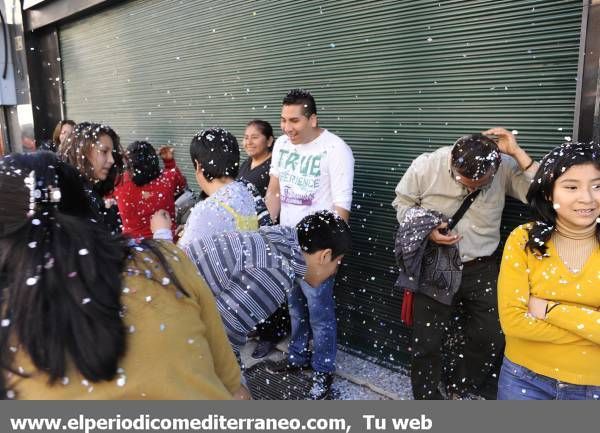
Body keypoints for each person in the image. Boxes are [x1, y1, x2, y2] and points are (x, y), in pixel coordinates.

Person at [0, 151, 248, 399]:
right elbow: (235, 390)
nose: (110, 160)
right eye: (104, 151)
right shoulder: (165, 263)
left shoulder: (11, 331)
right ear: (86, 207)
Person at [392, 128, 539, 400]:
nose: (471, 187)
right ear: (452, 163)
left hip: (481, 267)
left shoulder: (504, 167)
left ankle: (460, 385)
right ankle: (426, 400)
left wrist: (518, 154)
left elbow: (544, 193)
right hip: (435, 264)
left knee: (492, 334)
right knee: (427, 342)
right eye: (465, 180)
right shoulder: (427, 165)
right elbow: (402, 203)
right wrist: (426, 228)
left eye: (479, 183)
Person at [157, 210, 351, 399]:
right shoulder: (275, 274)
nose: (335, 271)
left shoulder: (278, 240)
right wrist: (236, 387)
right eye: (338, 262)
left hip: (162, 299)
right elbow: (223, 338)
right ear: (325, 256)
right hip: (163, 321)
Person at [265, 89, 354, 399]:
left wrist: (332, 255)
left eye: (294, 121)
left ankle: (323, 372)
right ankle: (297, 358)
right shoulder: (281, 146)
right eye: (283, 120)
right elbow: (275, 189)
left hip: (318, 251)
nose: (287, 128)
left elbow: (341, 208)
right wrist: (268, 222)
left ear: (313, 118)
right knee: (294, 307)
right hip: (287, 243)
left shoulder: (335, 149)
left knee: (320, 314)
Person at [497, 142, 600, 400]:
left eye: (597, 186)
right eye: (571, 187)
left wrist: (549, 309)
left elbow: (527, 319)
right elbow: (513, 322)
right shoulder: (523, 239)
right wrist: (588, 327)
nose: (587, 197)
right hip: (524, 378)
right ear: (549, 193)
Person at [169, 128, 267, 249]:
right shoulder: (248, 189)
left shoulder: (206, 210)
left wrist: (161, 231)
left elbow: (180, 262)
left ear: (198, 166)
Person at [58, 122, 124, 235]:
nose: (111, 160)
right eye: (104, 151)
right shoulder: (73, 200)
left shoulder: (78, 191)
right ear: (82, 151)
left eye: (112, 153)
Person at [114, 141, 187, 239]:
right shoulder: (168, 178)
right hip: (167, 244)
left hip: (134, 247)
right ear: (154, 160)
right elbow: (181, 184)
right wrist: (169, 162)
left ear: (128, 163)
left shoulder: (119, 183)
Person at [237, 120, 274, 197]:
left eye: (254, 137)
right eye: (246, 138)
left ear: (269, 141)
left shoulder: (274, 167)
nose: (249, 142)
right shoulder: (247, 162)